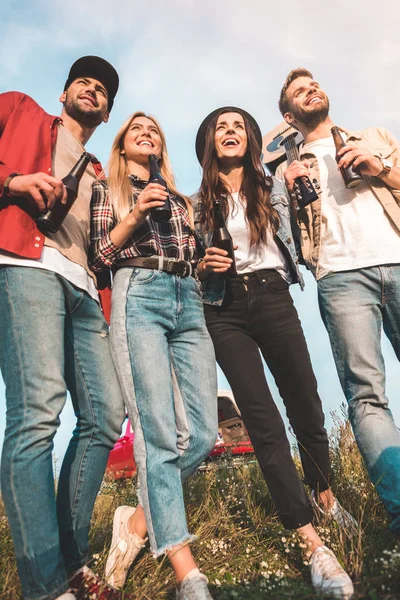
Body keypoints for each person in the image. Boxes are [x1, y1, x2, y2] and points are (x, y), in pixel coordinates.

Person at [193, 106, 355, 599]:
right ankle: (310, 542)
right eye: (221, 127)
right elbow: (188, 264)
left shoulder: (273, 186)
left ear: (250, 137)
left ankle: (325, 497)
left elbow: (304, 209)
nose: (230, 132)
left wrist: (290, 164)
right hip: (223, 308)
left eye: (238, 125)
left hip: (273, 294)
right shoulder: (193, 202)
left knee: (305, 401)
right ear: (208, 142)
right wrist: (203, 263)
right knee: (263, 419)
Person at [0, 57, 125, 600]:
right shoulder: (18, 110)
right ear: (64, 93)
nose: (93, 90)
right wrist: (12, 181)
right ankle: (47, 587)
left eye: (102, 89)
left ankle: (70, 559)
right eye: (84, 82)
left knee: (105, 417)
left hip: (84, 292)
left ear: (107, 109)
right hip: (26, 270)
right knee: (38, 411)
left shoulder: (99, 170)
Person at [89, 111, 218, 599]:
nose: (147, 134)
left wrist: (207, 263)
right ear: (123, 148)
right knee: (156, 433)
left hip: (187, 294)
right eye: (136, 131)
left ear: (162, 146)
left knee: (203, 434)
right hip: (137, 292)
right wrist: (137, 212)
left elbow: (196, 256)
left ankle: (138, 521)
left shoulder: (183, 202)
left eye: (154, 130)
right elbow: (99, 256)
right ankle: (187, 572)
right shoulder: (109, 191)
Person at [276, 68, 400, 539]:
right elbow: (279, 240)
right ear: (290, 114)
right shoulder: (288, 166)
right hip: (340, 277)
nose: (312, 90)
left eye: (314, 84)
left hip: (398, 259)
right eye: (298, 92)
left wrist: (381, 167)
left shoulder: (374, 137)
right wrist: (285, 191)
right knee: (367, 397)